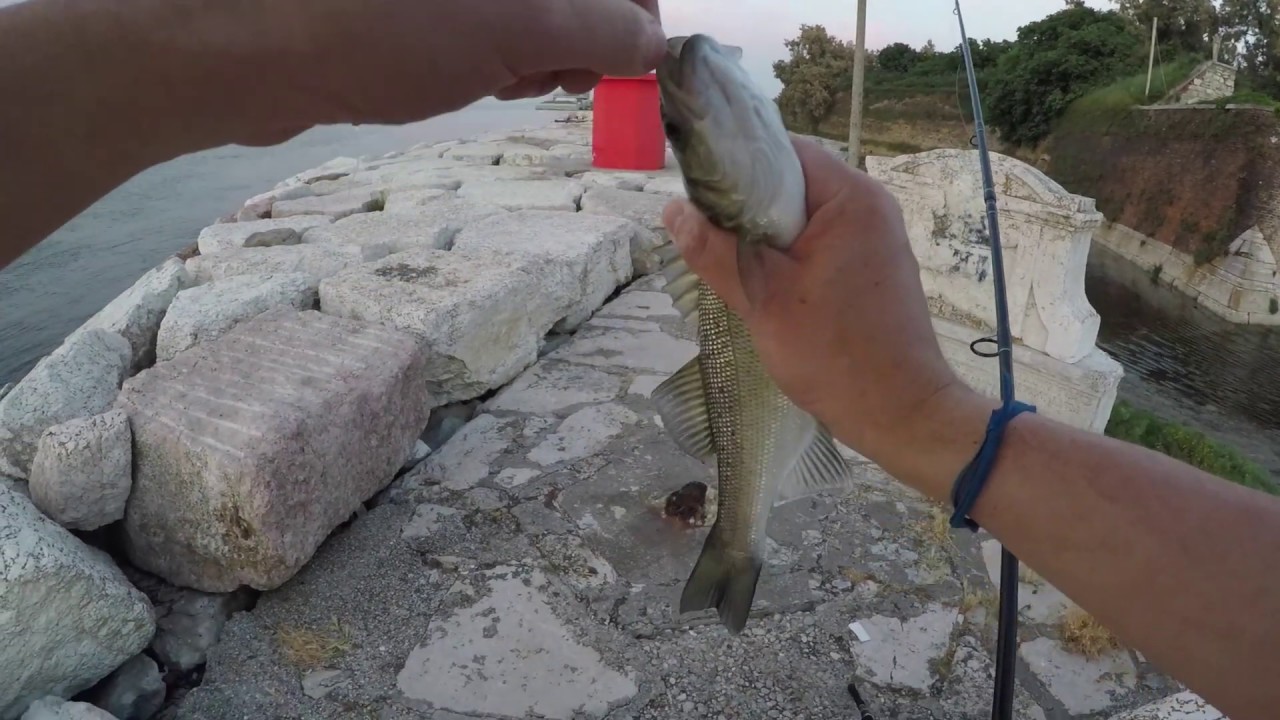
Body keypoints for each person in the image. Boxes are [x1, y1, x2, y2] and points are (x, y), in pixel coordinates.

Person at [1, 1, 1277, 718]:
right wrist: (924, 415)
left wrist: (918, 412)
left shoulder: (748, 219)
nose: (700, 91)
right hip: (825, 385)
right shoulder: (754, 210)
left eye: (702, 112)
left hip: (810, 373)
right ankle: (738, 540)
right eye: (690, 120)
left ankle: (740, 534)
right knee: (750, 467)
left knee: (753, 441)